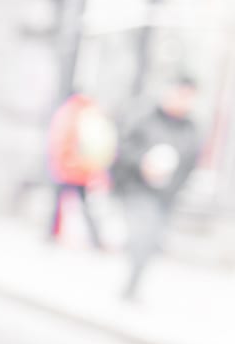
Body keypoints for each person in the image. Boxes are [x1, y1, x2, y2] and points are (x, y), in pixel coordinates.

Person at [110, 75, 201, 301]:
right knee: (143, 235)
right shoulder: (146, 118)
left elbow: (190, 164)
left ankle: (133, 283)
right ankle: (131, 287)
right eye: (179, 93)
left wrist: (176, 188)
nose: (182, 100)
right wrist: (143, 163)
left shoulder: (191, 129)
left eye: (188, 96)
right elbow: (124, 148)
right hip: (138, 189)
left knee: (151, 240)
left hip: (166, 195)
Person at [44, 92, 114, 248]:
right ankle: (95, 239)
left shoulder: (68, 112)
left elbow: (60, 141)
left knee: (61, 204)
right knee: (85, 205)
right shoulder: (89, 114)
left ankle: (52, 234)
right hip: (83, 168)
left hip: (68, 167)